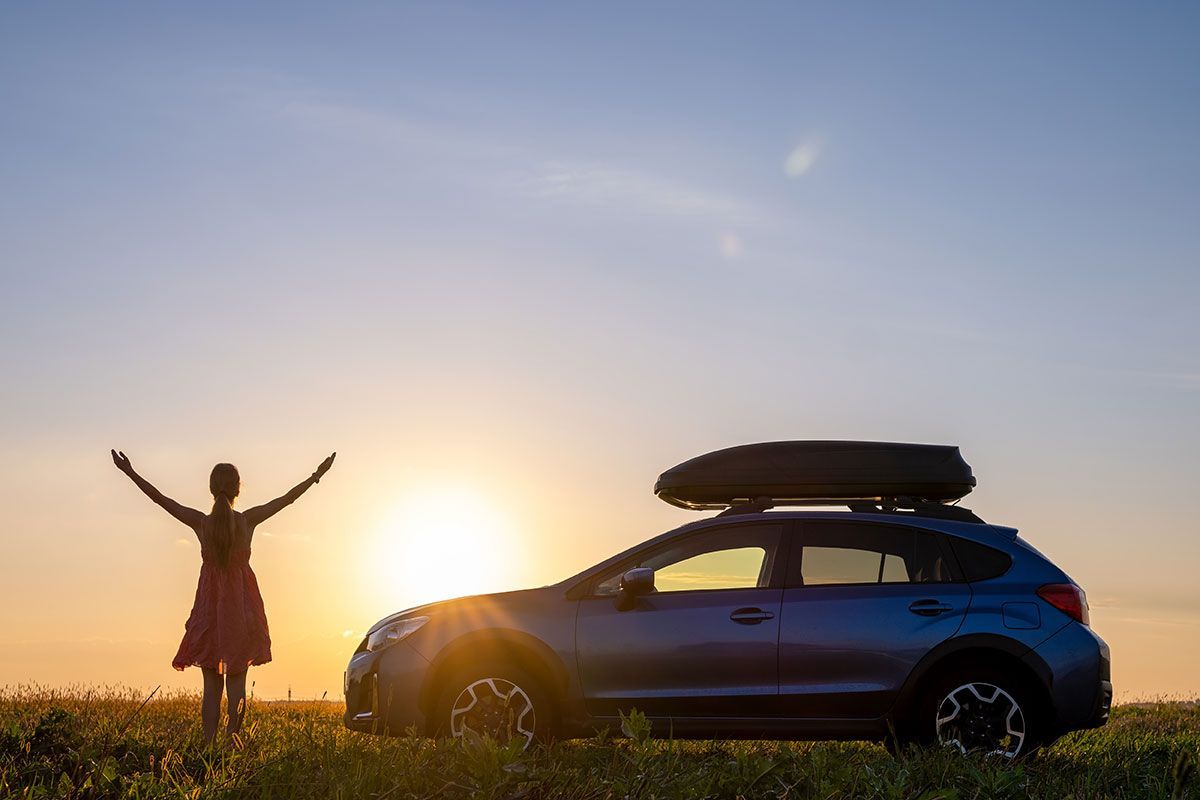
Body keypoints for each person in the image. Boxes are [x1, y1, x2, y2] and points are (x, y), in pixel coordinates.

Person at [111, 449, 336, 743]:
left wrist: (129, 472)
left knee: (211, 689)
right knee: (237, 685)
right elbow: (286, 499)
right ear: (238, 488)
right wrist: (316, 476)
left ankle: (208, 746)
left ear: (210, 488)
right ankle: (233, 741)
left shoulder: (201, 523)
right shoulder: (247, 521)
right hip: (242, 611)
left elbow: (161, 500)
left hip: (209, 612)